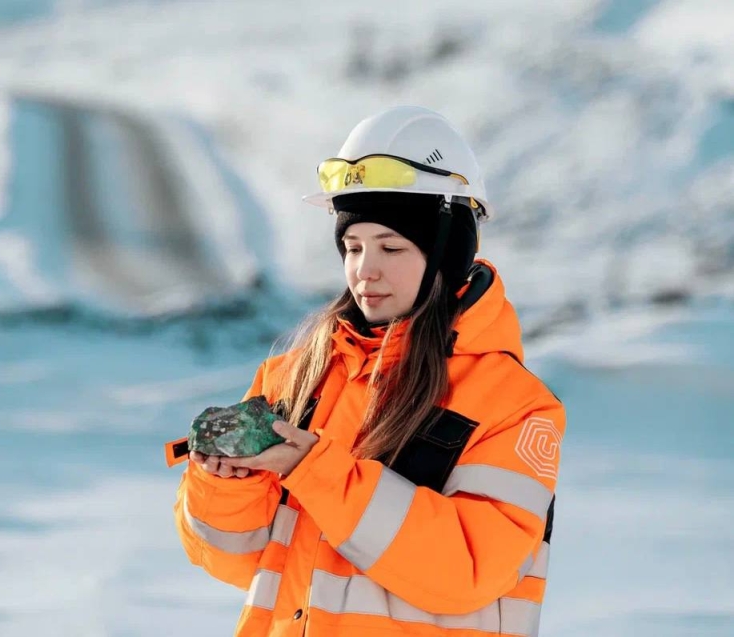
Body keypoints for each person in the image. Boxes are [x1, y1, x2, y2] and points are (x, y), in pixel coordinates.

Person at [169, 105, 566, 636]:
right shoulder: (293, 376)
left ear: (447, 254)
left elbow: (467, 570)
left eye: (392, 247)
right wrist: (228, 485)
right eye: (352, 247)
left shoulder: (511, 404)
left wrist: (314, 469)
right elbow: (237, 562)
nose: (365, 270)